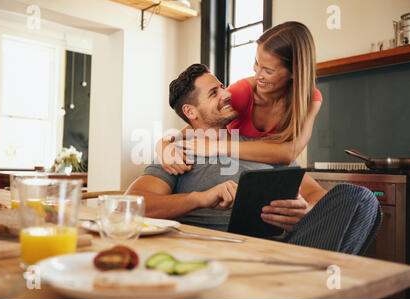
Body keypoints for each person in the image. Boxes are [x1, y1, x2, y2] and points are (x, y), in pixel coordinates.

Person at [127, 64, 382, 255]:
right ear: (190, 111)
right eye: (214, 93)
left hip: (284, 246)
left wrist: (306, 212)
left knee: (361, 199)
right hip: (221, 250)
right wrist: (200, 199)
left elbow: (315, 193)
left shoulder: (259, 142)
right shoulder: (178, 152)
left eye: (223, 87)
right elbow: (136, 204)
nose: (226, 94)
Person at [157, 21, 322, 176]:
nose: (258, 75)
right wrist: (163, 145)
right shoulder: (241, 92)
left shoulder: (309, 100)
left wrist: (217, 147)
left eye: (268, 71)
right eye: (256, 63)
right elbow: (203, 121)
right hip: (239, 170)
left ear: (294, 72)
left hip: (275, 169)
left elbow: (290, 152)